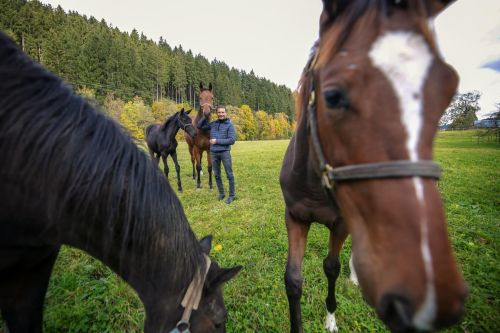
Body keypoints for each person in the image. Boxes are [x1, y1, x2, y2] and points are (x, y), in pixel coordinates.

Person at [197, 105, 236, 204]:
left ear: (225, 113)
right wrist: (205, 116)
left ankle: (232, 195)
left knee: (229, 174)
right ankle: (222, 193)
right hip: (214, 153)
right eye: (219, 112)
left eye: (223, 112)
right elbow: (199, 126)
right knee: (217, 175)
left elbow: (232, 140)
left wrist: (216, 141)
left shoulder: (230, 125)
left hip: (224, 152)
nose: (221, 114)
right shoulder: (213, 124)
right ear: (216, 113)